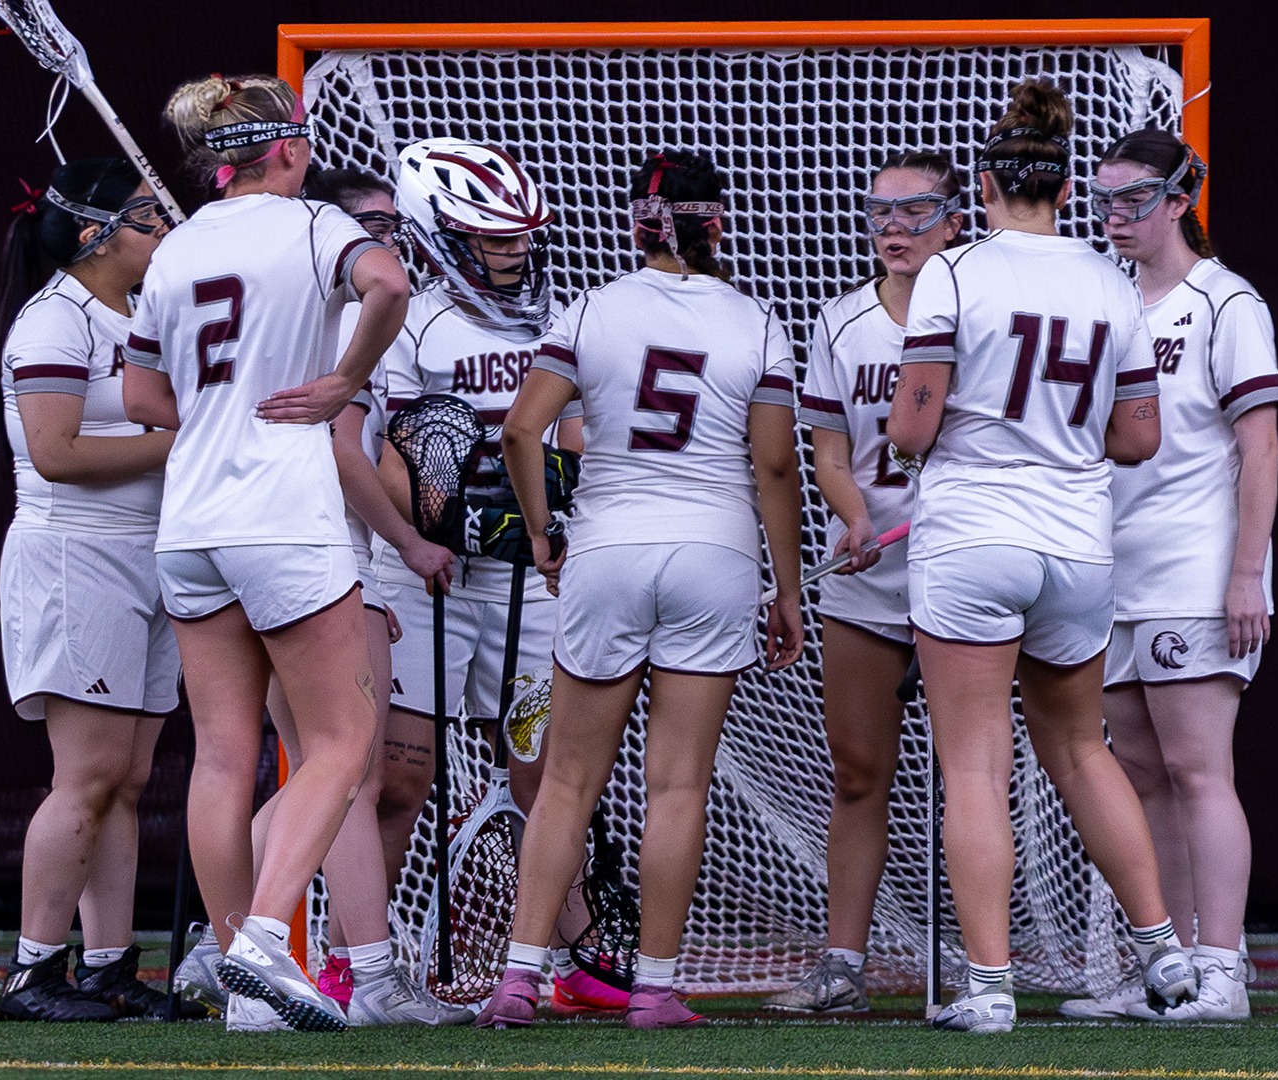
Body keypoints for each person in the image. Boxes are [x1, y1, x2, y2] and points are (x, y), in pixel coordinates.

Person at [884, 79, 1195, 1034]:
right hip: (1077, 546)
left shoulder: (954, 274)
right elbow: (1139, 438)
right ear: (1065, 190)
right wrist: (1058, 440)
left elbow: (909, 430)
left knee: (975, 767)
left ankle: (987, 989)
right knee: (1082, 750)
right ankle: (1168, 959)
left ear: (984, 185)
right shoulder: (1111, 282)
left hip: (976, 537)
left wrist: (983, 436)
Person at [477, 149, 805, 1030]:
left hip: (608, 549)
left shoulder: (591, 309)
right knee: (678, 786)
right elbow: (774, 463)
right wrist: (788, 587)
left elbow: (520, 430)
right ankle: (654, 985)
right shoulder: (757, 322)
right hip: (716, 552)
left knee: (566, 782)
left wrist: (545, 532)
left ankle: (518, 975)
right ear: (719, 224)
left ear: (636, 225)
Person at [121, 72, 410, 1033]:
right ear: (285, 148)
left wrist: (220, 406)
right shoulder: (317, 224)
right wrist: (341, 381)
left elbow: (140, 399)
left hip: (191, 521)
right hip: (283, 511)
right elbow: (389, 285)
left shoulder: (171, 252)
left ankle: (246, 984)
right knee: (339, 740)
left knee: (220, 755)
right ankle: (259, 948)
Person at [368, 138, 617, 1014]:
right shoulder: (413, 323)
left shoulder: (566, 314)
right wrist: (426, 530)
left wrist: (560, 510)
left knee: (544, 775)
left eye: (519, 236)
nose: (513, 251)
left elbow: (576, 431)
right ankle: (358, 957)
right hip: (428, 578)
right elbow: (390, 450)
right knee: (400, 776)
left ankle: (566, 952)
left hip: (533, 577)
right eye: (489, 237)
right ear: (438, 235)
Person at [1057, 129, 1278, 1022]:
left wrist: (1245, 575)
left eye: (1135, 199)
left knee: (1199, 770)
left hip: (1195, 567)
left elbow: (1259, 448)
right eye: (1105, 199)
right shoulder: (1107, 305)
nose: (1116, 216)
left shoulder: (1225, 303)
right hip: (1110, 572)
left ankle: (1223, 968)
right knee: (1142, 773)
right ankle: (1175, 968)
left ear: (1182, 198)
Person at [764, 152, 965, 1014]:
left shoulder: (982, 310)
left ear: (957, 219)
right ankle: (843, 964)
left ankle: (975, 960)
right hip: (867, 574)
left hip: (965, 569)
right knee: (857, 772)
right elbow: (829, 452)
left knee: (971, 770)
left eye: (915, 212)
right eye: (881, 212)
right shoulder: (844, 325)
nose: (893, 227)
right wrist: (851, 516)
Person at [0, 157, 177, 1022]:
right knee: (89, 772)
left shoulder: (145, 312)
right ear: (96, 233)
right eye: (146, 218)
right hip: (78, 557)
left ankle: (106, 966)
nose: (162, 230)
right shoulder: (53, 322)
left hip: (151, 558)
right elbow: (57, 454)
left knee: (129, 777)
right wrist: (189, 444)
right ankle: (34, 973)